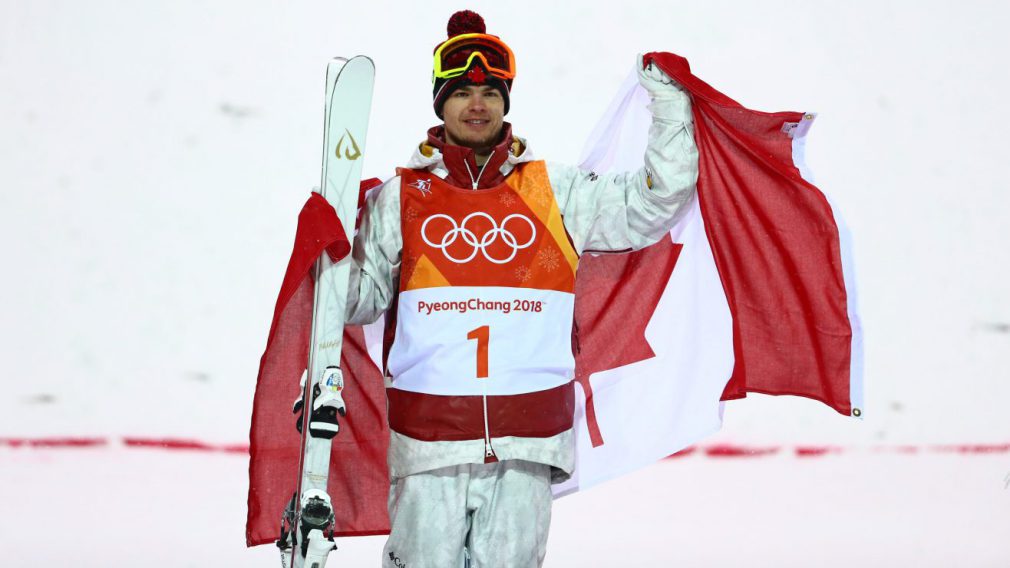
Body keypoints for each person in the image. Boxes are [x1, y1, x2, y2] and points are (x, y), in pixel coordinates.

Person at [345, 10, 698, 568]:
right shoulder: (400, 197)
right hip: (428, 441)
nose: (477, 103)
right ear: (440, 103)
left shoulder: (554, 190)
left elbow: (650, 205)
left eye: (490, 91)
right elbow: (358, 301)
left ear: (507, 100)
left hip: (527, 444)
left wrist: (672, 110)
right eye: (461, 92)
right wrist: (331, 248)